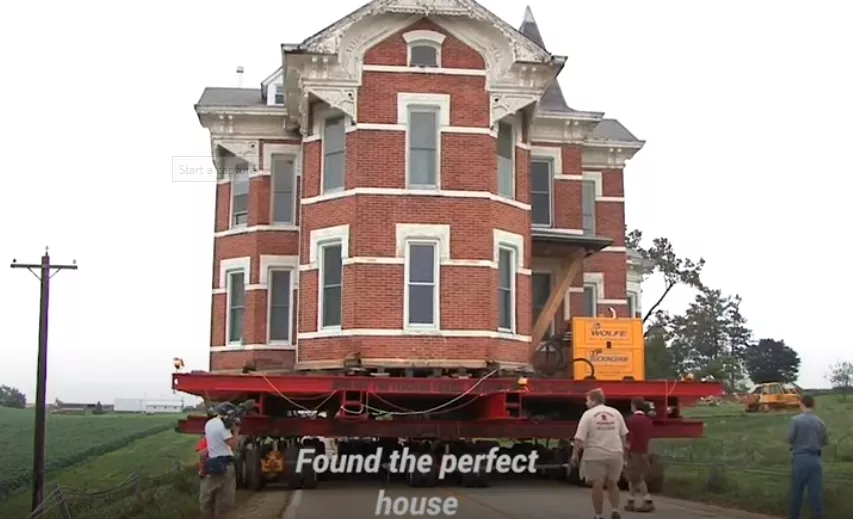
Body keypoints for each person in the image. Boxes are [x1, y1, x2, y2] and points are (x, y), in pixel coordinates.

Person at [571, 388, 628, 519]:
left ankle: (599, 514)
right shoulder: (616, 413)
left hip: (595, 454)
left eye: (588, 400)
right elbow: (624, 435)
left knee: (598, 484)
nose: (586, 403)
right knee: (613, 483)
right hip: (615, 453)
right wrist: (623, 452)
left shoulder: (588, 415)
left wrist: (575, 454)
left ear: (593, 400)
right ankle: (615, 510)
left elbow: (579, 438)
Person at [787, 394, 828, 519]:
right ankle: (817, 516)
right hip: (815, 459)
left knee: (797, 492)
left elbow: (790, 438)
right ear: (813, 405)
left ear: (802, 404)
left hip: (800, 458)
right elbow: (825, 441)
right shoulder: (820, 422)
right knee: (816, 493)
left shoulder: (796, 420)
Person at [199, 403, 240, 519]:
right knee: (224, 500)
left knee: (208, 496)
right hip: (225, 465)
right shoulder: (223, 427)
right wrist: (236, 431)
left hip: (212, 463)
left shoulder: (209, 424)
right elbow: (233, 445)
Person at [624, 397, 654, 512]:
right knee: (634, 477)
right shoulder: (647, 420)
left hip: (634, 452)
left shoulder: (631, 420)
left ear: (634, 406)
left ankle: (648, 500)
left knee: (635, 477)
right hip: (644, 450)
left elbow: (629, 437)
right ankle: (630, 500)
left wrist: (626, 450)